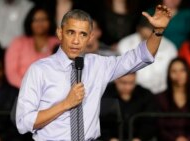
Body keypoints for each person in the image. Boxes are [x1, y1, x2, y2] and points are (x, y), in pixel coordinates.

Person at [16, 6, 172, 140]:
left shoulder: (98, 65)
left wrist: (157, 31)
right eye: (71, 32)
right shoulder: (39, 70)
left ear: (90, 37)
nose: (76, 41)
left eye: (83, 34)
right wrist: (65, 104)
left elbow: (141, 56)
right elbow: (24, 122)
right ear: (59, 33)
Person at [118, 18, 177, 94]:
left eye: (153, 27)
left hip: (161, 93)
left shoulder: (169, 47)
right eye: (147, 27)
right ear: (138, 28)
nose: (151, 30)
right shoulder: (124, 44)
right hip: (133, 93)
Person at [5, 6, 60, 88]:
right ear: (29, 22)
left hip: (51, 91)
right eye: (36, 20)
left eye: (43, 19)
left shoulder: (58, 42)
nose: (40, 23)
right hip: (21, 90)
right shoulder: (19, 42)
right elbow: (11, 73)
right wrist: (29, 89)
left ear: (50, 21)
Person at [102, 73, 157, 141]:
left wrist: (140, 138)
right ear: (116, 80)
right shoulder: (105, 94)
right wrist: (109, 138)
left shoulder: (145, 94)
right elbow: (101, 122)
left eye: (132, 83)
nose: (128, 87)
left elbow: (150, 122)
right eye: (123, 83)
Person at [156, 58, 190, 141]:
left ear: (188, 72)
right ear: (168, 74)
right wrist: (174, 139)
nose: (178, 74)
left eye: (182, 70)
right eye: (174, 71)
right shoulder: (160, 98)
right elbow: (159, 127)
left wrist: (189, 139)